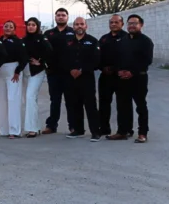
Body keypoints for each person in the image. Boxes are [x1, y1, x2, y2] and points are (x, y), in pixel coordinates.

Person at [109, 14, 153, 143]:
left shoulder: (146, 41)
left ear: (141, 25)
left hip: (139, 78)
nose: (132, 26)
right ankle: (123, 131)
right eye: (130, 23)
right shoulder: (122, 40)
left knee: (141, 106)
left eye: (135, 23)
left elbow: (147, 60)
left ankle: (142, 133)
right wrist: (119, 70)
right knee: (122, 106)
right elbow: (117, 58)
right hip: (123, 79)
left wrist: (132, 72)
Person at [63, 17, 101, 141]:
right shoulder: (67, 42)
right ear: (73, 27)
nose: (79, 26)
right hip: (71, 78)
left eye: (82, 24)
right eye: (77, 24)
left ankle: (95, 132)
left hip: (86, 78)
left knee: (90, 105)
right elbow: (63, 58)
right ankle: (78, 130)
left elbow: (96, 60)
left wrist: (82, 70)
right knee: (75, 104)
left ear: (86, 26)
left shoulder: (93, 41)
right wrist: (70, 69)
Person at [42, 8, 76, 135]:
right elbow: (43, 51)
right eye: (58, 15)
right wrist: (44, 65)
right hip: (53, 73)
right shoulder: (48, 34)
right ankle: (51, 126)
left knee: (70, 101)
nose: (61, 17)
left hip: (69, 74)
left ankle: (73, 126)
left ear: (67, 17)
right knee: (55, 100)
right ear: (55, 17)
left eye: (63, 15)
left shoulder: (73, 33)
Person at [0, 20, 29, 139]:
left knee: (13, 99)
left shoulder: (18, 42)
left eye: (10, 27)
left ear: (14, 29)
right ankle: (3, 130)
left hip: (13, 71)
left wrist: (18, 71)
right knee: (1, 101)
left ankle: (14, 130)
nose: (8, 28)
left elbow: (24, 58)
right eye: (6, 26)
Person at [21, 17, 53, 138]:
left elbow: (49, 51)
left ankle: (32, 129)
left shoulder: (42, 38)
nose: (31, 27)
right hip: (25, 72)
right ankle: (35, 126)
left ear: (37, 26)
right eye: (29, 24)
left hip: (37, 72)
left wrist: (41, 62)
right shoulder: (23, 39)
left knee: (30, 96)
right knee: (29, 100)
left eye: (33, 25)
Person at [97, 14, 128, 137]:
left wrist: (116, 69)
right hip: (105, 76)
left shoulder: (127, 38)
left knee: (123, 104)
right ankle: (104, 128)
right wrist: (102, 68)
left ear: (122, 24)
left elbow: (128, 58)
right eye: (111, 22)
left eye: (116, 22)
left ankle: (124, 130)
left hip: (121, 77)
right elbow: (97, 56)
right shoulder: (104, 39)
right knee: (104, 103)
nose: (113, 24)